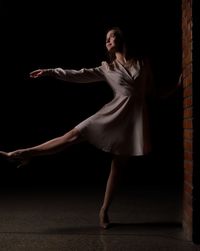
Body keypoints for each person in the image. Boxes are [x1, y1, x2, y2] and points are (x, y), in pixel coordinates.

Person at [0, 26, 159, 229]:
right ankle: (26, 152)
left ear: (122, 39)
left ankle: (104, 210)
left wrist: (177, 87)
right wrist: (51, 72)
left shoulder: (143, 63)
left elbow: (153, 93)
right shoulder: (107, 68)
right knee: (72, 136)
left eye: (112, 37)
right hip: (111, 115)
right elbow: (79, 74)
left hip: (133, 122)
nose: (108, 41)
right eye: (106, 39)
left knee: (118, 167)